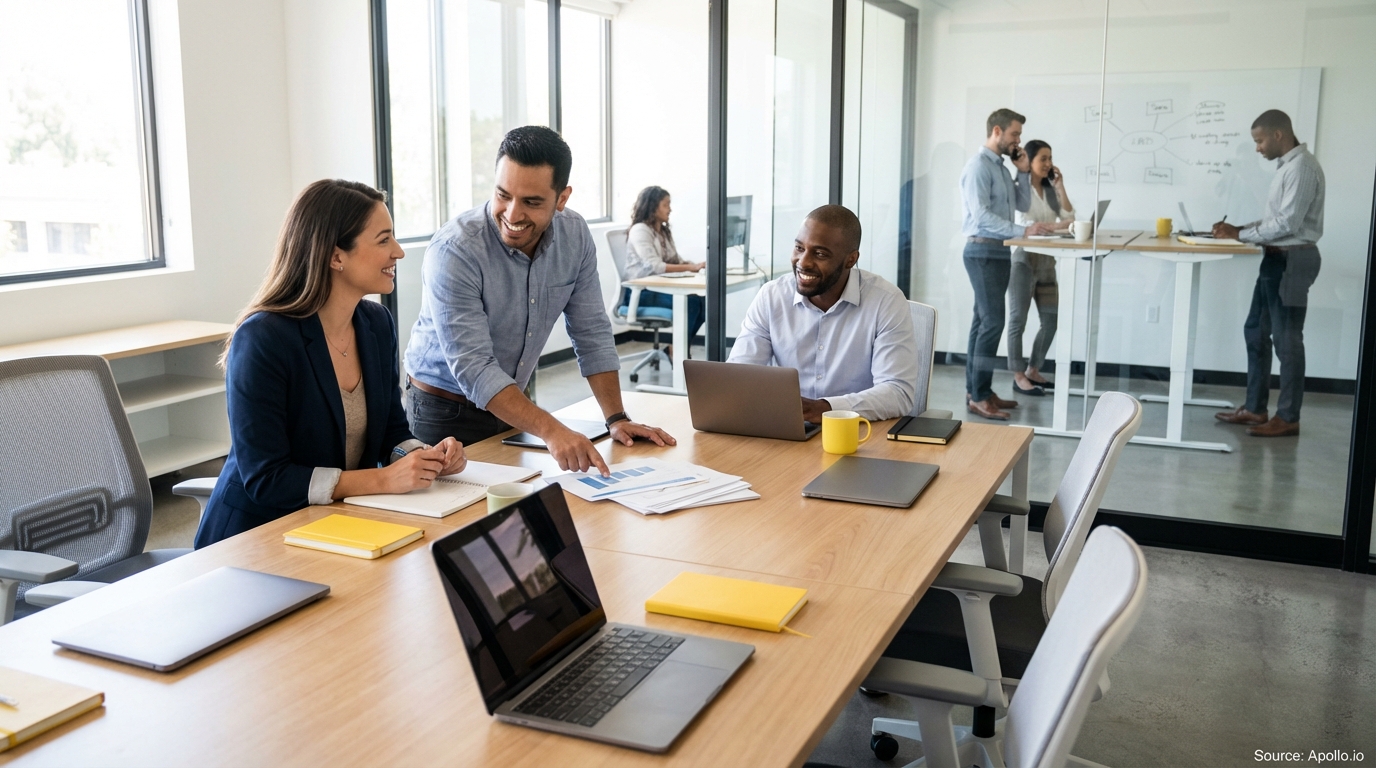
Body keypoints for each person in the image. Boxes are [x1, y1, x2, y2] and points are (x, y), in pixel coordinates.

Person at [195, 180, 467, 548]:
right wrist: (383, 480)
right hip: (256, 535)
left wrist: (424, 457)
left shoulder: (376, 323)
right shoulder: (263, 338)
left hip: (337, 522)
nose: (399, 252)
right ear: (336, 256)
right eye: (383, 240)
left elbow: (392, 432)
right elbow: (267, 478)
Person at [404, 126, 674, 474]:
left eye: (531, 202)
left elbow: (591, 330)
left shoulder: (574, 236)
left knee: (515, 501)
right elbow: (474, 367)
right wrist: (551, 430)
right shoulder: (455, 250)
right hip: (443, 409)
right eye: (503, 195)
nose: (512, 214)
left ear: (562, 198)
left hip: (514, 402)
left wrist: (616, 418)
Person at [727, 204, 918, 423]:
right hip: (787, 428)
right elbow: (738, 376)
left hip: (857, 431)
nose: (803, 262)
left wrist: (824, 409)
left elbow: (897, 393)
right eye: (799, 248)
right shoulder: (772, 296)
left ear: (851, 259)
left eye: (820, 254)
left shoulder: (886, 301)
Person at [1212, 109, 1324, 438]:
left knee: (1287, 341)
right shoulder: (1287, 167)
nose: (1257, 148)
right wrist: (1240, 229)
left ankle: (1288, 417)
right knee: (1256, 332)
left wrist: (1239, 234)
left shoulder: (1302, 168)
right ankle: (1255, 409)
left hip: (1293, 260)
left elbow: (1288, 224)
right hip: (1276, 259)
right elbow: (1275, 220)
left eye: (1259, 141)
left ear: (1278, 135)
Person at [960, 108, 1057, 420]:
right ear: (997, 132)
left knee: (982, 322)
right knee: (992, 323)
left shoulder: (1002, 169)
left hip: (997, 251)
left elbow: (1023, 204)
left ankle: (978, 391)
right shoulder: (979, 167)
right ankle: (979, 396)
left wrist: (1024, 172)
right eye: (1015, 134)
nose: (1018, 141)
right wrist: (1022, 231)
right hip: (982, 251)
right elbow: (981, 216)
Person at [1007, 139, 1074, 395]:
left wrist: (1060, 186)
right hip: (1024, 260)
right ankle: (1018, 376)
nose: (1048, 164)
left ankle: (1033, 370)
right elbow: (1027, 225)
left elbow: (1070, 219)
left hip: (1046, 261)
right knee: (1018, 320)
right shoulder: (1019, 191)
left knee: (1051, 320)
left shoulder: (1049, 190)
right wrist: (1059, 226)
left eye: (1050, 158)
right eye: (1043, 159)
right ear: (1030, 161)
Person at [623, 186, 706, 355]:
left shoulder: (663, 231)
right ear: (653, 207)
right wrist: (691, 268)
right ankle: (679, 351)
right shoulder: (640, 230)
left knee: (704, 303)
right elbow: (656, 266)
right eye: (666, 205)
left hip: (659, 288)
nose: (670, 209)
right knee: (691, 302)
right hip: (641, 292)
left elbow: (674, 260)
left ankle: (676, 348)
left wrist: (696, 265)